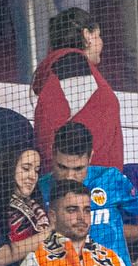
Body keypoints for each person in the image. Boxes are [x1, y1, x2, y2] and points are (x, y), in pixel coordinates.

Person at [31, 15, 120, 175]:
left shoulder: (69, 66)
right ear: (87, 35)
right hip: (87, 186)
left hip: (91, 183)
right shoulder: (73, 64)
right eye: (98, 36)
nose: (101, 43)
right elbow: (50, 131)